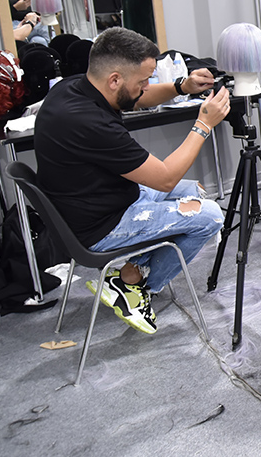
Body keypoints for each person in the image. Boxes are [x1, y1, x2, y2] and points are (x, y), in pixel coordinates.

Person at [34, 27, 228, 334]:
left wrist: (182, 86)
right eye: (143, 80)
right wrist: (204, 124)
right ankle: (134, 286)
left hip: (95, 201)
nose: (147, 87)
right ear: (115, 80)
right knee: (210, 216)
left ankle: (130, 272)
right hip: (100, 228)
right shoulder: (89, 123)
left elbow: (136, 97)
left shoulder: (74, 87)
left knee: (194, 190)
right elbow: (165, 179)